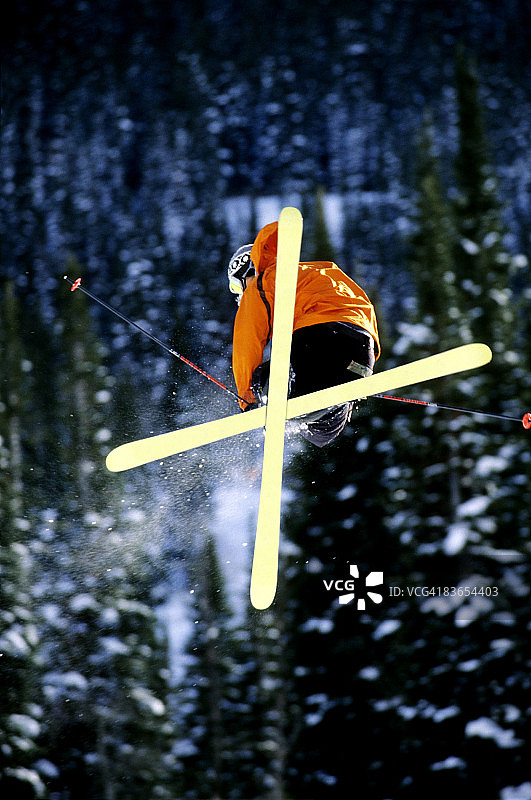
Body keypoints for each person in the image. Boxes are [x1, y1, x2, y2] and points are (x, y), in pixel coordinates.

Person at [227, 220, 380, 447]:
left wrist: (247, 400)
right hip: (361, 352)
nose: (240, 296)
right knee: (321, 431)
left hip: (321, 339)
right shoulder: (314, 272)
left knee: (266, 374)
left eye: (237, 288)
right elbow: (362, 311)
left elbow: (247, 341)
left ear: (245, 273)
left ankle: (286, 410)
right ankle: (307, 414)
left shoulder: (263, 282)